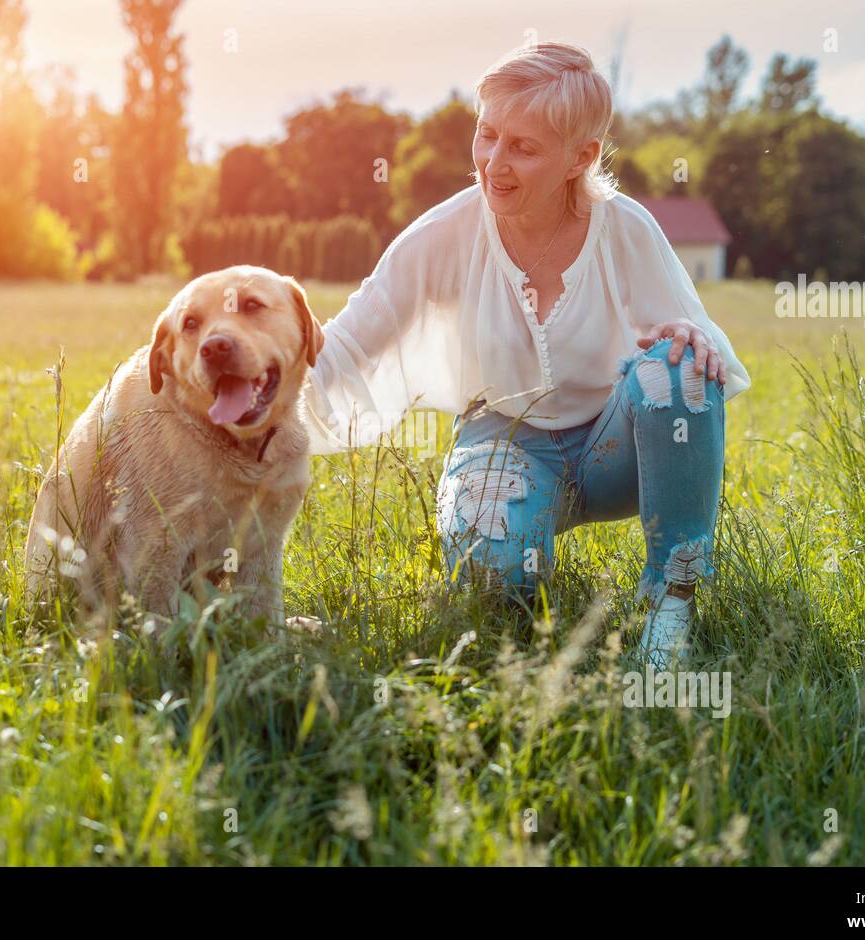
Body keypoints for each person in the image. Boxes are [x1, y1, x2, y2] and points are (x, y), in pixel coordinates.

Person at [302, 41, 751, 666]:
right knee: (497, 585)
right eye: (487, 135)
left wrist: (691, 341)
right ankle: (520, 550)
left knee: (680, 370)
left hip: (611, 451)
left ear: (581, 156)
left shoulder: (626, 228)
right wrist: (237, 378)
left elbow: (701, 354)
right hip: (504, 442)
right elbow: (343, 348)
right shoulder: (441, 236)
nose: (494, 163)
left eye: (524, 147)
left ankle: (671, 600)